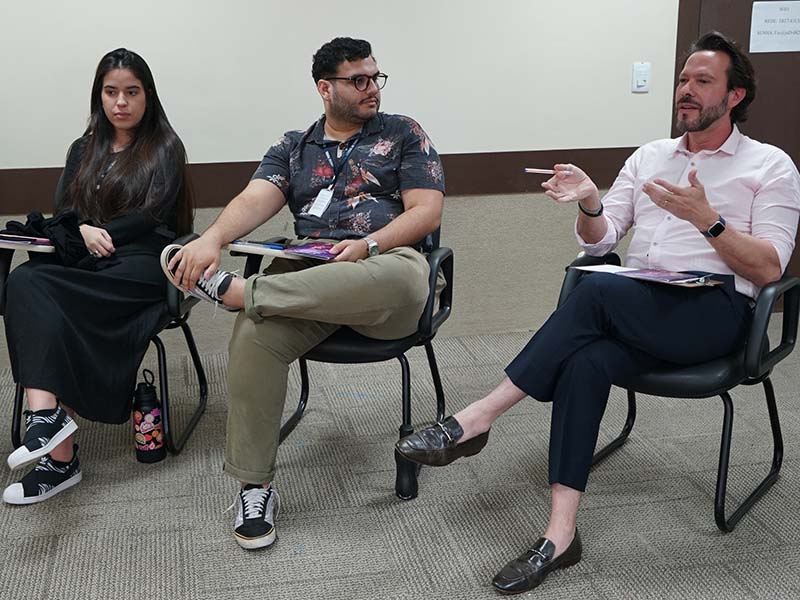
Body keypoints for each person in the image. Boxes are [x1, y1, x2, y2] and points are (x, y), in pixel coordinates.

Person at [396, 31, 800, 594]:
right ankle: (561, 535)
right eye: (683, 79)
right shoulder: (650, 156)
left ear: (735, 96)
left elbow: (770, 270)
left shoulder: (770, 166)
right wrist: (590, 200)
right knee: (587, 352)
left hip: (715, 315)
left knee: (594, 291)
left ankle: (478, 417)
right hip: (641, 304)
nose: (686, 90)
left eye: (702, 81)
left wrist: (707, 220)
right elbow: (601, 237)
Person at [161, 37, 445, 550]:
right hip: (308, 275)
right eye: (357, 80)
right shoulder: (294, 146)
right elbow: (254, 199)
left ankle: (242, 293)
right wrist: (210, 239)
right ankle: (255, 486)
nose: (371, 89)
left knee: (407, 276)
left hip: (383, 271)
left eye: (375, 78)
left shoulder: (404, 134)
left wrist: (369, 244)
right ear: (324, 88)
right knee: (255, 332)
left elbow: (426, 212)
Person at [3, 48, 192, 505]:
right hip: (88, 260)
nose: (121, 102)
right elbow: (64, 209)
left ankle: (57, 457)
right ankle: (50, 428)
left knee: (49, 294)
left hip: (142, 264)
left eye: (131, 92)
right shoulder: (82, 148)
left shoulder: (166, 146)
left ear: (147, 96)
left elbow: (152, 214)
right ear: (99, 95)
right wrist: (83, 229)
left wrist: (102, 232)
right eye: (111, 92)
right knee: (27, 281)